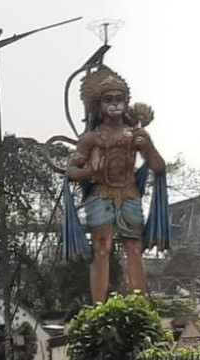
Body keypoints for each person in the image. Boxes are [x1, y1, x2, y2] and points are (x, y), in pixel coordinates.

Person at [67, 65, 166, 303]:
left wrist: (148, 147)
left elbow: (159, 167)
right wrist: (90, 171)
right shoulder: (90, 138)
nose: (114, 104)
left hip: (129, 193)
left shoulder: (136, 135)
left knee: (134, 249)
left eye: (119, 99)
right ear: (99, 106)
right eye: (108, 99)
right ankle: (99, 307)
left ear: (125, 102)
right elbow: (71, 171)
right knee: (102, 249)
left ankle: (138, 304)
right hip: (100, 195)